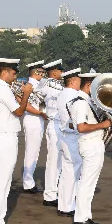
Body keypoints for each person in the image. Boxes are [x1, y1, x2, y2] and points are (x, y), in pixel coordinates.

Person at [0, 57, 26, 224]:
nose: (15, 77)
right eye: (13, 73)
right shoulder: (2, 89)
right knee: (2, 181)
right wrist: (27, 94)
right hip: (5, 137)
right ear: (5, 72)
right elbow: (18, 111)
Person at [68, 71, 112, 224]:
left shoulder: (83, 101)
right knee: (87, 183)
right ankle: (81, 218)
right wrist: (102, 125)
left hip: (92, 143)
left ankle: (85, 216)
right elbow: (80, 127)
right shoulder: (81, 102)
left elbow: (71, 124)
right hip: (90, 144)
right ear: (89, 85)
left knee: (88, 183)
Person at [50, 67, 83, 215]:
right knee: (73, 173)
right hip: (72, 135)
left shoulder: (63, 93)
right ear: (74, 81)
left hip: (65, 135)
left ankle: (64, 204)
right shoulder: (73, 96)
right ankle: (68, 205)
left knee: (67, 172)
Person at [40, 60, 65, 204]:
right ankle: (50, 195)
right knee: (54, 161)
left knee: (58, 161)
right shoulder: (51, 85)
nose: (62, 73)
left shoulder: (50, 85)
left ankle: (54, 191)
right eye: (60, 71)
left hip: (58, 125)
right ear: (54, 72)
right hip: (55, 124)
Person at [19, 60, 46, 193]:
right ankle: (28, 182)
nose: (43, 74)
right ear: (36, 72)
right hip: (33, 119)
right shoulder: (30, 85)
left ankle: (29, 180)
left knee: (34, 152)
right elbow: (25, 105)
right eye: (42, 72)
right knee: (31, 152)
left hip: (37, 119)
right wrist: (40, 112)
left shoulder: (38, 84)